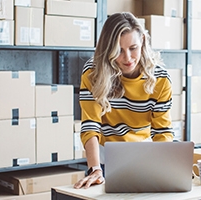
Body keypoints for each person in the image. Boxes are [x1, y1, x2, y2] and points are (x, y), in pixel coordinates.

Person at [73, 12, 174, 189]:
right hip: (104, 158)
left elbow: (162, 132)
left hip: (144, 154)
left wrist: (164, 166)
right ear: (107, 49)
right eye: (118, 50)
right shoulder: (93, 74)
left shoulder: (160, 79)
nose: (127, 58)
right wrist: (95, 169)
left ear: (142, 40)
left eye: (133, 47)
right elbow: (90, 125)